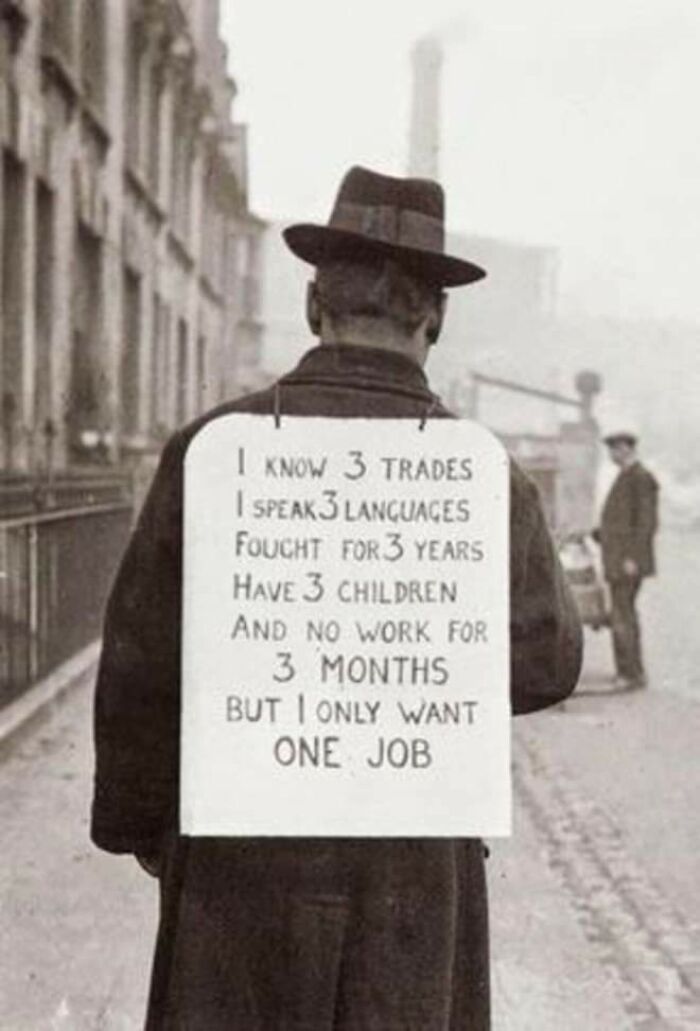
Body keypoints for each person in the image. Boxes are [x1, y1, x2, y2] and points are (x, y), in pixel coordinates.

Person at [91, 166, 582, 1030]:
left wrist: (150, 828)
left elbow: (140, 663)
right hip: (412, 866)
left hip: (237, 856)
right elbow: (547, 661)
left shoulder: (214, 449)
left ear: (316, 307)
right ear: (435, 317)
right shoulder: (483, 474)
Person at [594, 430, 659, 689]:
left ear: (626, 448)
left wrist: (632, 557)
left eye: (613, 449)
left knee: (623, 615)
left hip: (626, 562)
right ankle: (629, 672)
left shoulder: (640, 478)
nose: (611, 454)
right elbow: (618, 521)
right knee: (623, 614)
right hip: (618, 559)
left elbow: (646, 523)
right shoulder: (628, 476)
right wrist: (594, 534)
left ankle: (630, 675)